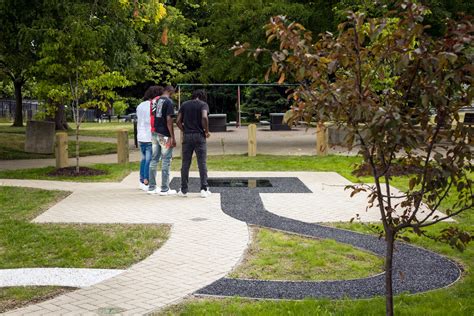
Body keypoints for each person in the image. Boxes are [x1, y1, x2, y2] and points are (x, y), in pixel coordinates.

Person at [176, 89, 211, 198]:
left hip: (187, 135)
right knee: (202, 163)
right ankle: (204, 189)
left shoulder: (184, 104)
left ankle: (184, 189)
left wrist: (184, 130)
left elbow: (177, 121)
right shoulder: (203, 105)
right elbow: (204, 117)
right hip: (199, 136)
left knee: (185, 163)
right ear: (202, 96)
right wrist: (206, 131)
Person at [148, 85, 177, 195]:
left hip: (155, 133)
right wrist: (172, 136)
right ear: (170, 91)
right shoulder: (169, 102)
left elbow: (154, 115)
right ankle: (165, 188)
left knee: (154, 159)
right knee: (166, 160)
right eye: (172, 93)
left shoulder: (156, 100)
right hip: (164, 134)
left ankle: (151, 187)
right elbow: (169, 120)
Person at [136, 86, 163, 191]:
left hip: (140, 136)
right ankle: (148, 181)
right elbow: (151, 120)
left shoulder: (140, 105)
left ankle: (142, 180)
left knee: (143, 159)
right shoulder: (153, 105)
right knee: (150, 160)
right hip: (149, 136)